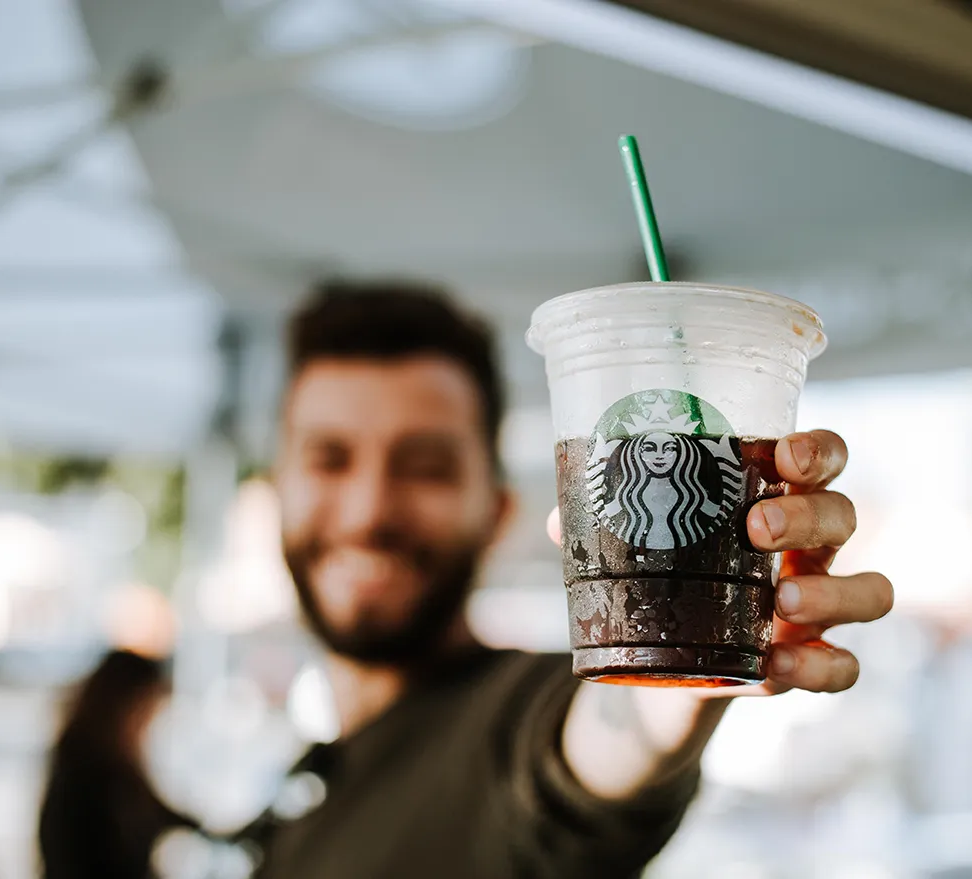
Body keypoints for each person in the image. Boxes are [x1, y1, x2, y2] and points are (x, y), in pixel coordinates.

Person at [246, 280, 893, 878]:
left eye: (426, 467)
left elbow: (585, 758)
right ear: (276, 489)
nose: (368, 511)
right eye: (329, 459)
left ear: (498, 511)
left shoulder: (512, 724)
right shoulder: (308, 781)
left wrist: (673, 664)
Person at [38, 650, 199, 879]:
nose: (147, 723)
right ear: (123, 705)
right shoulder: (88, 770)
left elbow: (161, 814)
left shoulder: (115, 764)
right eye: (146, 709)